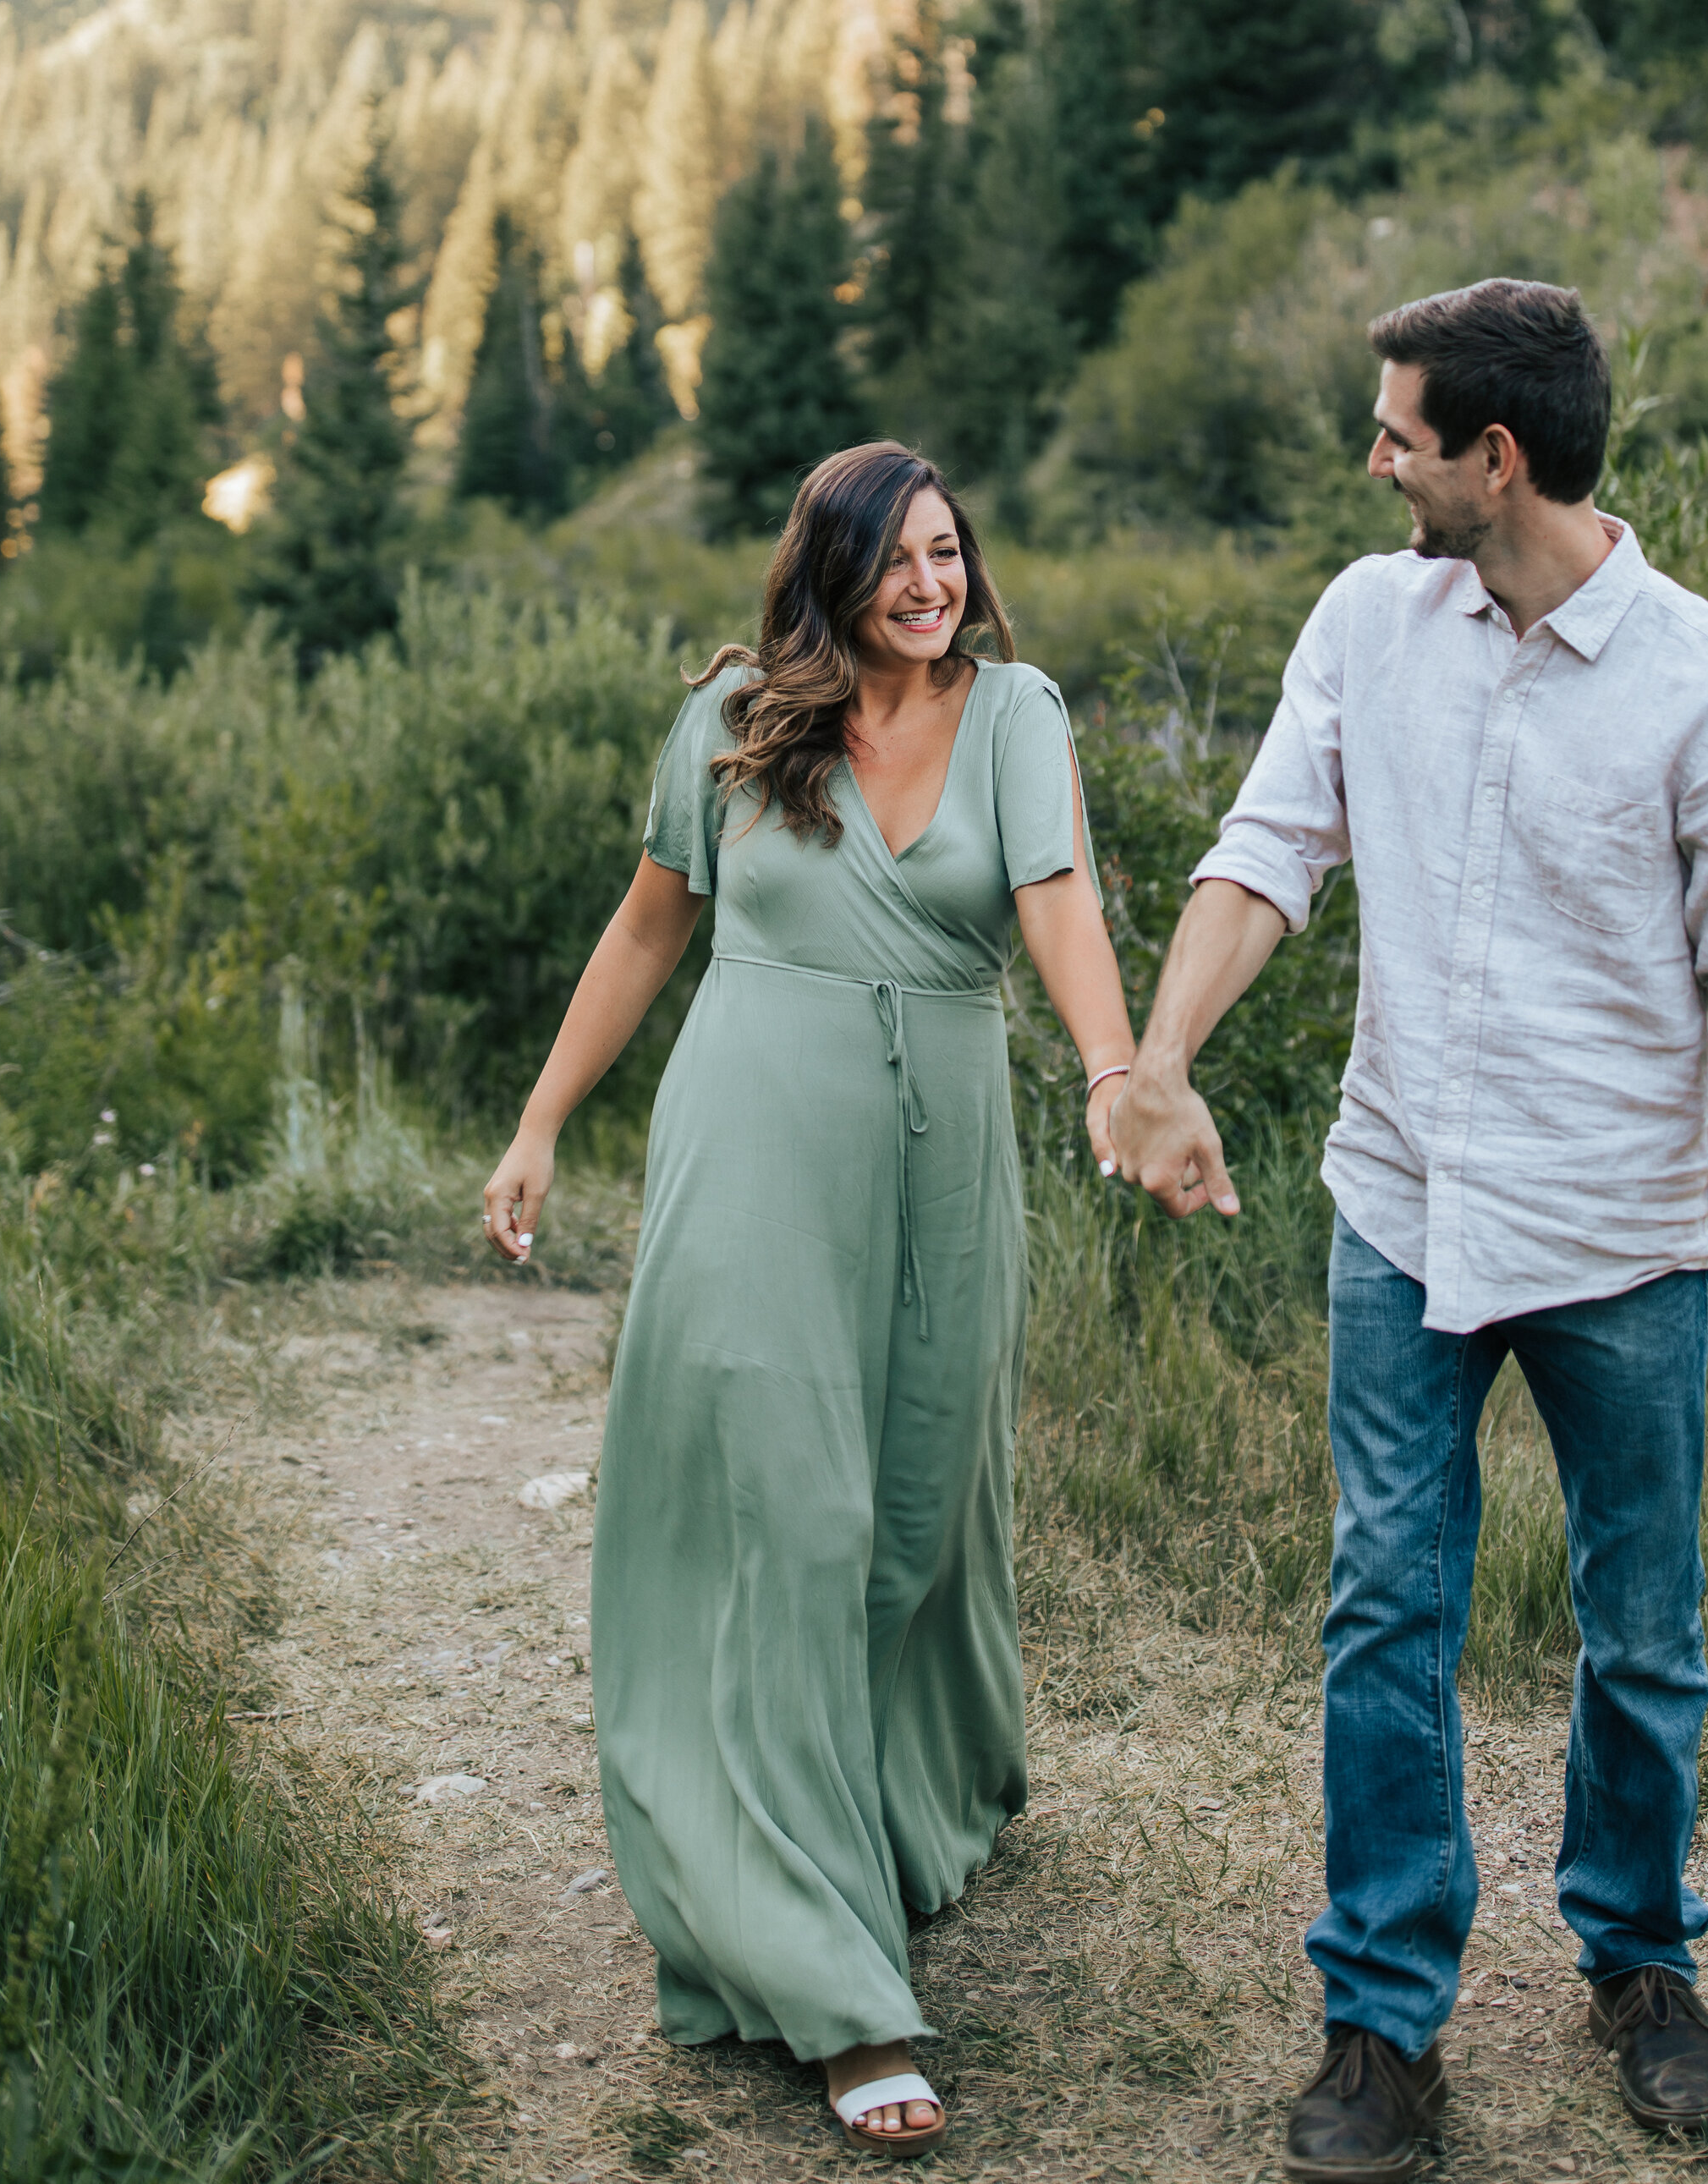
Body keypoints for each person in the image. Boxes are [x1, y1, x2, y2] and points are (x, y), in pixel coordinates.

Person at [1101, 278, 1708, 2181]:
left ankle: (1638, 1963)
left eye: (1395, 431)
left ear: (1491, 458)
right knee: (1384, 1611)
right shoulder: (1367, 621)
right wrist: (1159, 1054)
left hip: (1620, 1245)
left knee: (1642, 1631)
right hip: (1400, 1211)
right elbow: (1267, 850)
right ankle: (1379, 2021)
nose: (1372, 458)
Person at [484, 441, 1134, 2159]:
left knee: (910, 1517)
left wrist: (1116, 1071)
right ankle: (831, 1986)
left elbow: (1058, 909)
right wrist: (543, 1124)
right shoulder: (725, 725)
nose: (929, 584)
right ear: (829, 572)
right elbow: (643, 935)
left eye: (946, 552)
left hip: (945, 1167)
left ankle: (888, 1805)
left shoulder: (1017, 713)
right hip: (754, 1146)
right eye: (894, 560)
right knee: (793, 1510)